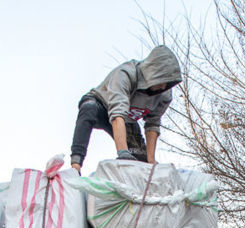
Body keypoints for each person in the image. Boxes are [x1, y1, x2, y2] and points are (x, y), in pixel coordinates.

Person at [69, 45, 182, 173]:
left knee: (140, 161)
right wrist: (123, 153)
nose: (163, 86)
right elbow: (118, 112)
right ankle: (76, 166)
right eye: (161, 81)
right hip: (103, 105)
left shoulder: (164, 94)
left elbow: (153, 124)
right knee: (89, 108)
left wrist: (151, 161)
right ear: (152, 74)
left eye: (167, 83)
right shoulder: (126, 74)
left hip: (127, 120)